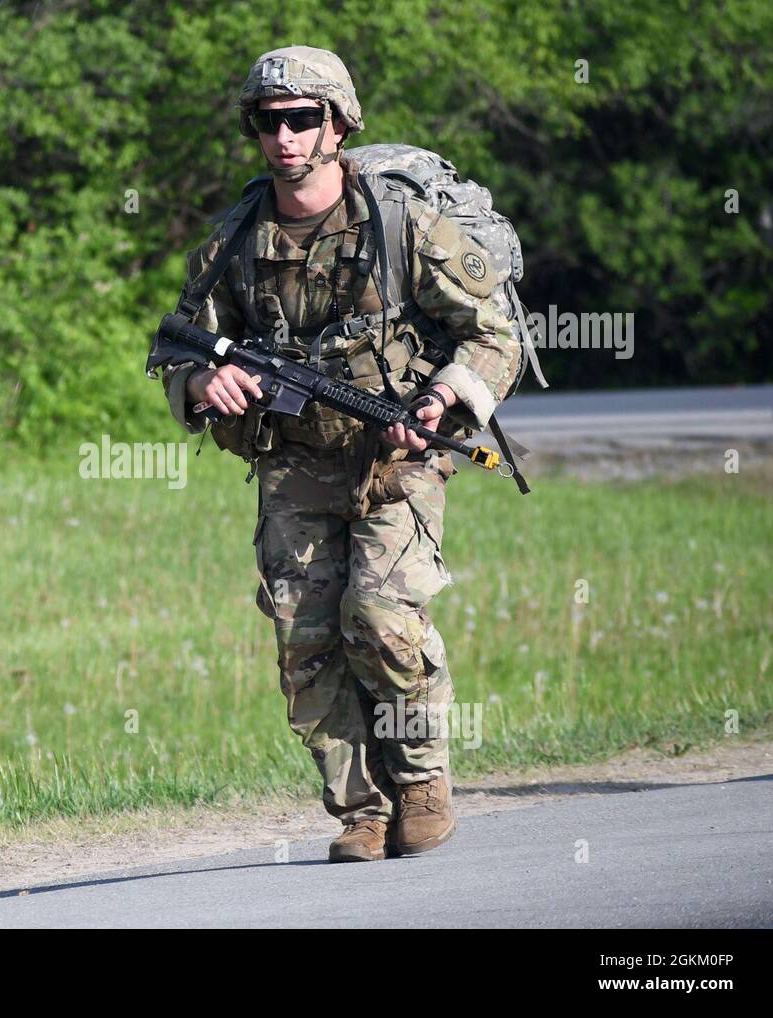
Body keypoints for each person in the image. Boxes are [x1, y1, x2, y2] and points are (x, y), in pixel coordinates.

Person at [158, 46, 522, 862]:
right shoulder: (233, 243)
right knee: (306, 639)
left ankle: (422, 781)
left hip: (397, 455)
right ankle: (361, 809)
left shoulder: (402, 228)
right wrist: (198, 387)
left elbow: (493, 332)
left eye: (302, 119)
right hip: (292, 464)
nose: (284, 137)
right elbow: (175, 348)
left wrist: (435, 400)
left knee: (382, 616)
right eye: (267, 121)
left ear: (340, 123)